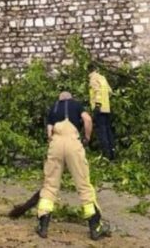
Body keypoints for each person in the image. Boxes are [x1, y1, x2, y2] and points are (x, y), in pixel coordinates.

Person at [36, 91, 111, 240]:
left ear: (60, 99)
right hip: (73, 144)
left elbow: (49, 132)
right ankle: (95, 227)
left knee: (50, 184)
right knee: (83, 184)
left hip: (56, 144)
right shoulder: (76, 105)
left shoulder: (53, 107)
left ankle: (42, 226)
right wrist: (87, 137)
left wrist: (53, 142)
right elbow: (87, 119)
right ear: (70, 98)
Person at [89, 69, 116, 160]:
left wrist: (97, 104)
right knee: (108, 130)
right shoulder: (102, 78)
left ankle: (106, 155)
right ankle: (112, 152)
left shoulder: (93, 78)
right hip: (106, 108)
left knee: (102, 131)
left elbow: (97, 91)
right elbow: (110, 91)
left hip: (99, 108)